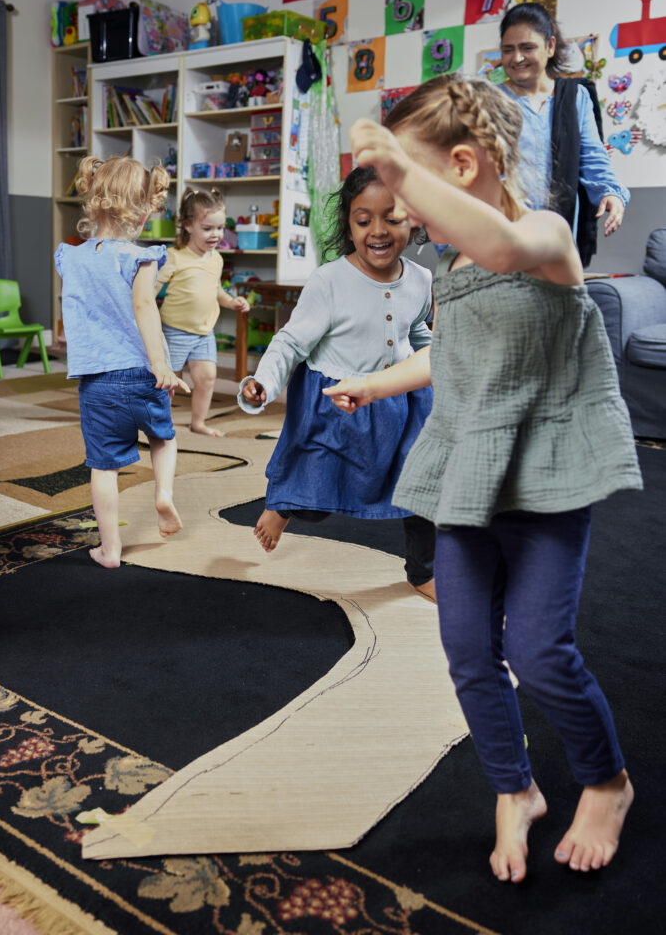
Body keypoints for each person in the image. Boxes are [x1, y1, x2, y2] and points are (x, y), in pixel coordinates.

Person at [324, 75, 642, 882]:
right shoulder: (452, 263)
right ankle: (515, 789)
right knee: (466, 648)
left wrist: (395, 169)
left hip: (543, 471)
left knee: (537, 651)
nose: (404, 218)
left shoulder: (541, 233)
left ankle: (606, 780)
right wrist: (379, 381)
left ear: (462, 166)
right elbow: (449, 353)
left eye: (412, 191)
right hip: (468, 468)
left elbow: (502, 250)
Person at [238, 166, 437, 601]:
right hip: (335, 405)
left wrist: (438, 352)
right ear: (348, 223)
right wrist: (264, 382)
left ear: (415, 220)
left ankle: (423, 571)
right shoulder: (329, 280)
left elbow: (416, 332)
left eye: (392, 218)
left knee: (424, 484)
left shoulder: (421, 280)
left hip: (400, 405)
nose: (378, 231)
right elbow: (290, 342)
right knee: (316, 495)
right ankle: (284, 505)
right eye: (364, 220)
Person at [55, 155, 190, 569]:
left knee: (104, 466)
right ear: (146, 210)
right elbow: (144, 306)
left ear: (92, 199)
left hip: (97, 380)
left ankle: (110, 549)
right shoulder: (141, 258)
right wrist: (160, 365)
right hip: (142, 372)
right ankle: (163, 492)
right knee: (164, 438)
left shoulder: (69, 257)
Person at [499, 2, 629, 265]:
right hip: (502, 235)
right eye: (507, 49)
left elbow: (592, 157)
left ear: (550, 46)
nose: (516, 58)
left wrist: (610, 192)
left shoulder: (575, 97)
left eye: (527, 47)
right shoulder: (488, 100)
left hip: (557, 237)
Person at [155, 187, 250, 437]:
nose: (216, 235)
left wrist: (232, 302)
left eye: (220, 228)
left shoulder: (216, 259)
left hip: (204, 332)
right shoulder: (174, 257)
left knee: (207, 377)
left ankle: (198, 422)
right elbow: (152, 288)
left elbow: (216, 289)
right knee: (168, 383)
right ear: (188, 226)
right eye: (207, 228)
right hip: (174, 331)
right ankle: (160, 422)